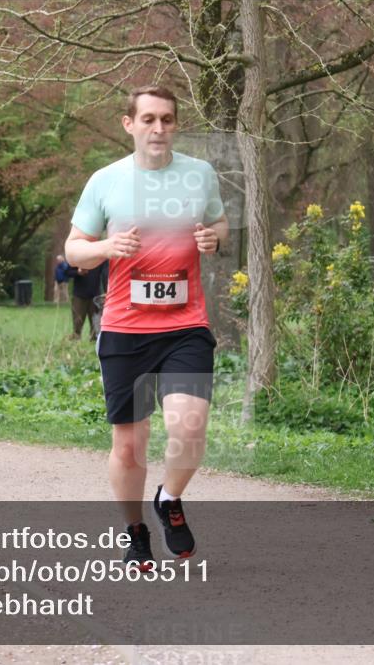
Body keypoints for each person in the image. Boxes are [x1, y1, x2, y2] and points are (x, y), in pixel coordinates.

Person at [65, 85, 228, 569]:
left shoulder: (199, 175)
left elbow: (219, 226)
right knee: (130, 446)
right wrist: (105, 249)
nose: (159, 129)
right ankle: (136, 530)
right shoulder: (106, 181)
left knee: (190, 426)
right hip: (125, 329)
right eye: (150, 119)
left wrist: (211, 239)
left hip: (185, 326)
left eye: (168, 120)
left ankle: (169, 500)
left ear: (176, 125)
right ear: (129, 124)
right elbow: (74, 248)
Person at [67, 262, 107, 341]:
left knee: (96, 323)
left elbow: (106, 274)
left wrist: (106, 290)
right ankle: (76, 339)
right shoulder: (79, 256)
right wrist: (78, 272)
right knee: (77, 322)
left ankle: (95, 340)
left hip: (95, 295)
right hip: (79, 295)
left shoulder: (100, 257)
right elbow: (68, 272)